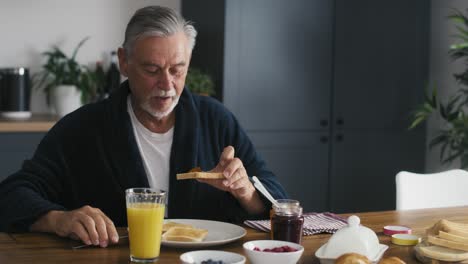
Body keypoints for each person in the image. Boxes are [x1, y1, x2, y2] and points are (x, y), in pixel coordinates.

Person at [0, 6, 287, 248]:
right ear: (124, 61)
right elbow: (13, 194)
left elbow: (279, 199)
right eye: (152, 70)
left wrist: (245, 191)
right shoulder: (82, 128)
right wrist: (58, 219)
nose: (166, 85)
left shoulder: (216, 119)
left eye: (177, 69)